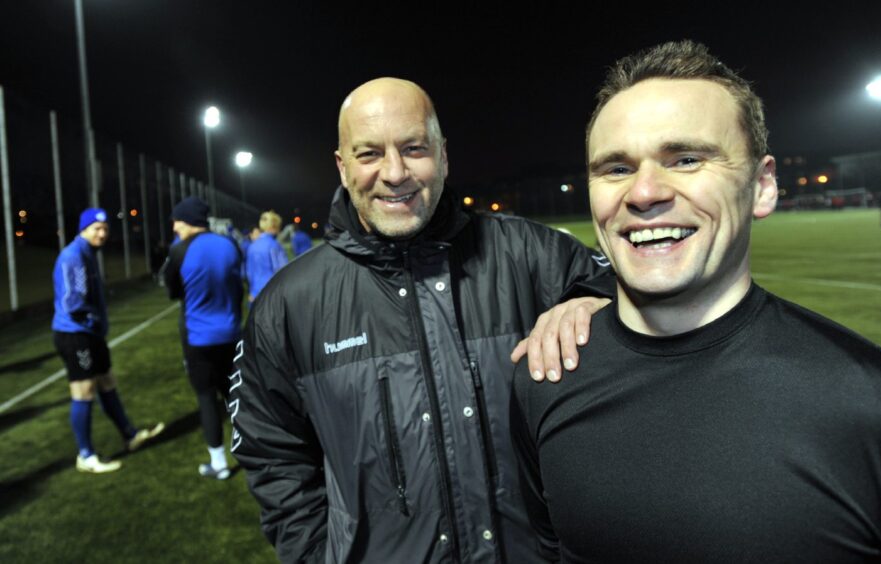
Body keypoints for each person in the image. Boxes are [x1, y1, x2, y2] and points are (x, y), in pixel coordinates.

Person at [510, 40, 881, 562]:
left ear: (763, 187)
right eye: (616, 169)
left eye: (688, 159)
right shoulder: (544, 377)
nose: (645, 192)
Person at [229, 77, 612, 563]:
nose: (394, 172)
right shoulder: (288, 304)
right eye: (369, 154)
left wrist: (594, 300)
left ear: (444, 156)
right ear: (343, 167)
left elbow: (638, 300)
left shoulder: (532, 254)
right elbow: (270, 450)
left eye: (413, 148)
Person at [52, 207, 165, 473]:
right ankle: (86, 455)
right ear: (84, 229)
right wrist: (94, 319)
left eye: (104, 229)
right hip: (76, 335)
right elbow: (72, 302)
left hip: (90, 334)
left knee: (107, 382)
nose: (102, 234)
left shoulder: (88, 253)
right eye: (96, 229)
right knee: (84, 392)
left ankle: (130, 435)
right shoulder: (74, 256)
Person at [163, 197, 244, 480]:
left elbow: (172, 290)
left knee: (207, 398)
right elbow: (237, 284)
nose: (174, 227)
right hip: (232, 333)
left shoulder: (179, 250)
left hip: (198, 338)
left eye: (177, 221)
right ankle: (255, 454)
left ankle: (219, 464)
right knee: (236, 396)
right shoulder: (229, 244)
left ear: (187, 221)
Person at [245, 210, 288, 301]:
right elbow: (283, 271)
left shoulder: (252, 246)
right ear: (273, 227)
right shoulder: (274, 245)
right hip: (272, 294)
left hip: (255, 293)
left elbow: (249, 272)